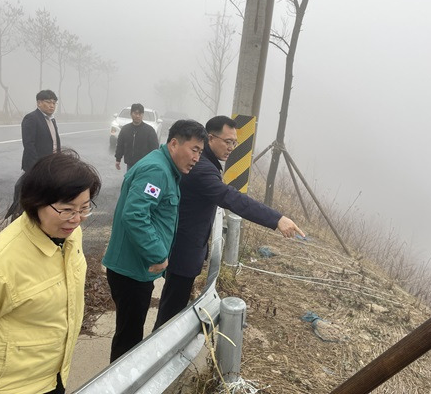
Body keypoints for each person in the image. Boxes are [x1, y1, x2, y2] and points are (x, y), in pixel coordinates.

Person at [0, 150, 101, 394]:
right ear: (36, 202)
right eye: (67, 209)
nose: (76, 219)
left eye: (84, 208)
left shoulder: (69, 236)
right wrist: (1, 358)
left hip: (55, 373)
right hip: (11, 386)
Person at [153, 115, 305, 330]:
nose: (232, 147)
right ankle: (161, 352)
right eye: (228, 142)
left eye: (235, 142)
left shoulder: (205, 162)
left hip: (184, 248)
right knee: (169, 313)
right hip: (183, 251)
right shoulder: (202, 168)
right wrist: (276, 219)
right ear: (210, 138)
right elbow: (232, 199)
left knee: (172, 306)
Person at [103, 119, 208, 362]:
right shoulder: (157, 171)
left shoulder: (164, 168)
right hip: (131, 270)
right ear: (173, 143)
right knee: (128, 340)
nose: (196, 158)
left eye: (200, 152)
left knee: (129, 333)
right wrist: (158, 254)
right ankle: (121, 385)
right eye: (194, 150)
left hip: (135, 267)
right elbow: (135, 215)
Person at [6, 90, 61, 220]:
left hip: (51, 165)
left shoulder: (52, 120)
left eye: (54, 103)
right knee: (29, 196)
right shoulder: (31, 118)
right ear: (39, 102)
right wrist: (37, 166)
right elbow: (29, 145)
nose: (52, 105)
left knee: (45, 196)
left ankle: (41, 221)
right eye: (48, 102)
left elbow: (54, 143)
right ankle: (19, 220)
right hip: (36, 166)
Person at [114, 103, 159, 171]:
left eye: (140, 114)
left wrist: (153, 163)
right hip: (130, 165)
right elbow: (120, 145)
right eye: (135, 113)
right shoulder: (125, 129)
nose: (138, 116)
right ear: (131, 114)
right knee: (130, 181)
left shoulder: (149, 130)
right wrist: (118, 159)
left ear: (143, 115)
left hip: (144, 165)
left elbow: (154, 148)